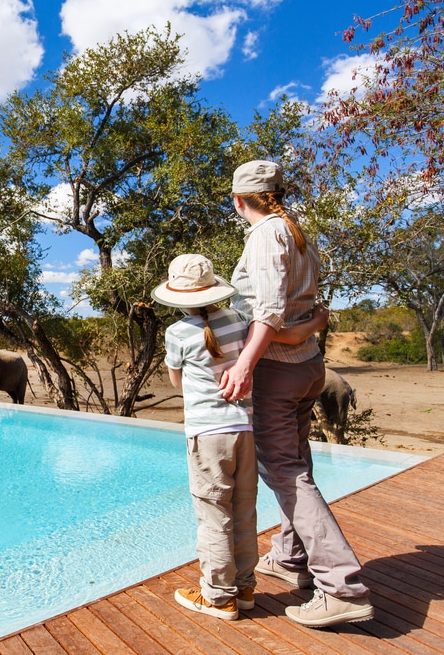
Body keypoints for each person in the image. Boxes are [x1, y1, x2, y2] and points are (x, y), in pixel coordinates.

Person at [219, 160, 374, 628]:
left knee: (285, 472)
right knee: (296, 462)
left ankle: (341, 587)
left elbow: (267, 311)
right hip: (307, 365)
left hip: (277, 371)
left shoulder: (266, 235)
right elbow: (302, 311)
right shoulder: (295, 231)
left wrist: (245, 364)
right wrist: (304, 330)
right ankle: (289, 556)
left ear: (238, 200)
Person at [153, 253, 328, 621]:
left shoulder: (176, 333)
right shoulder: (237, 318)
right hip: (243, 429)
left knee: (213, 514)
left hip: (207, 434)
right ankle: (245, 589)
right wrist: (317, 320)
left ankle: (219, 597)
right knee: (244, 510)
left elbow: (177, 381)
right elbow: (281, 336)